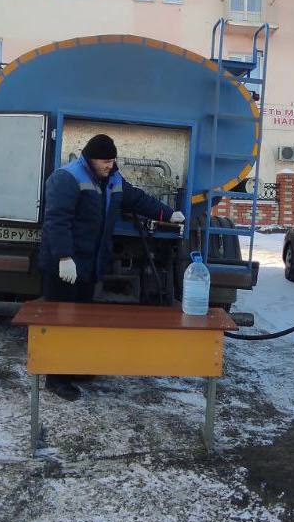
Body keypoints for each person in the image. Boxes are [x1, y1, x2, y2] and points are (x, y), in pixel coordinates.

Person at [38, 134, 185, 401]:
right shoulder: (67, 178)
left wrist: (166, 213)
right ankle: (55, 378)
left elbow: (138, 200)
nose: (110, 164)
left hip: (88, 264)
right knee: (59, 320)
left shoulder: (113, 179)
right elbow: (57, 220)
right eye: (105, 160)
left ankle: (73, 369)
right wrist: (63, 257)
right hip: (65, 265)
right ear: (90, 159)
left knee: (79, 319)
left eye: (112, 159)